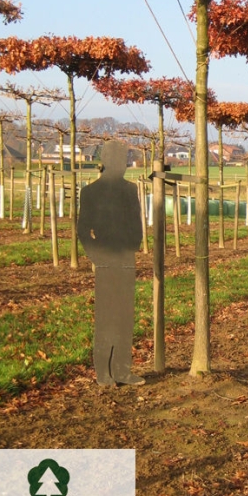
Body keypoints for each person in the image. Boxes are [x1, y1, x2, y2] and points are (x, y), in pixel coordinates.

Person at [78, 140, 144, 386]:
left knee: (125, 316)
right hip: (105, 261)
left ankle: (122, 371)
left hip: (126, 259)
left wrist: (131, 249)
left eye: (125, 159)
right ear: (108, 161)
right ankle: (103, 373)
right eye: (120, 159)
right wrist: (97, 256)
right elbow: (83, 230)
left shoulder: (130, 189)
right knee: (106, 317)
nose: (124, 165)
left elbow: (136, 225)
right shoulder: (90, 192)